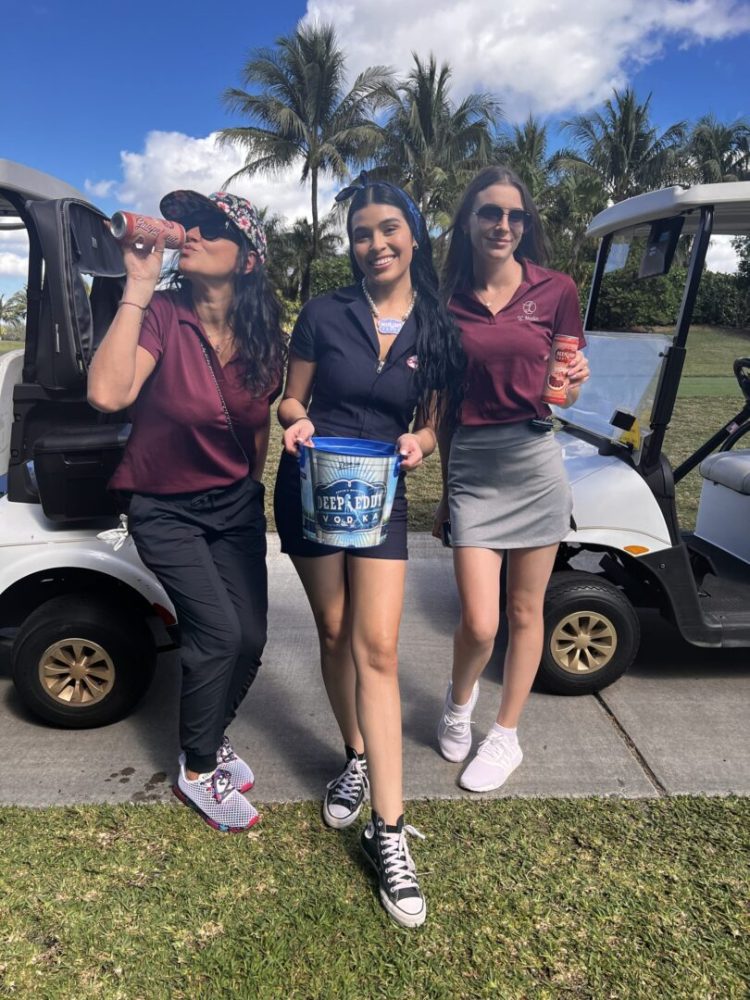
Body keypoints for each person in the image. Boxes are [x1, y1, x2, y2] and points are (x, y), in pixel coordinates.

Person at [273, 176, 464, 928]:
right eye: (361, 233)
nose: (375, 244)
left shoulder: (439, 330)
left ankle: (389, 832)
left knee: (376, 648)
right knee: (332, 631)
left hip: (379, 502)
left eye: (389, 229)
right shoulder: (323, 314)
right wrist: (294, 423)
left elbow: (432, 424)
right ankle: (353, 756)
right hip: (313, 487)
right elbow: (291, 399)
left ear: (414, 236)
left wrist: (418, 440)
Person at [88, 191, 285, 832]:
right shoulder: (163, 316)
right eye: (189, 222)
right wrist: (139, 283)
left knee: (250, 638)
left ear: (249, 260)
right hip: (164, 507)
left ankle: (208, 733)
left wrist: (245, 489)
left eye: (214, 226)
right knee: (217, 634)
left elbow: (255, 432)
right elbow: (108, 393)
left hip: (233, 505)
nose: (192, 231)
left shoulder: (265, 343)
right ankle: (198, 770)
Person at [433, 165, 590, 793]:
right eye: (490, 213)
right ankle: (459, 700)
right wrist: (445, 490)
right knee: (480, 621)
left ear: (526, 225)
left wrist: (573, 388)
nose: (503, 225)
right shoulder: (443, 301)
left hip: (534, 461)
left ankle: (505, 736)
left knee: (527, 611)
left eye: (515, 216)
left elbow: (568, 382)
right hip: (472, 462)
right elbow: (440, 407)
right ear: (469, 221)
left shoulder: (557, 289)